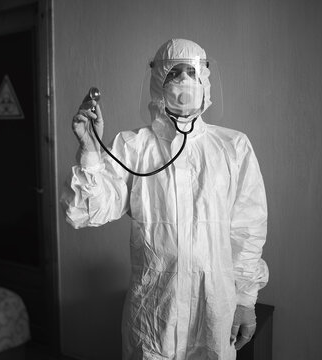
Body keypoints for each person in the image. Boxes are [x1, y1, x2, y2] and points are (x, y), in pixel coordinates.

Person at [61, 39, 269, 360]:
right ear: (158, 79)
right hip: (154, 312)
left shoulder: (232, 147)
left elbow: (248, 229)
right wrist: (90, 147)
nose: (184, 81)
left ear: (204, 80)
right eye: (174, 73)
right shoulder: (132, 146)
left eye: (192, 72)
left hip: (214, 308)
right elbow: (88, 211)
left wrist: (245, 300)